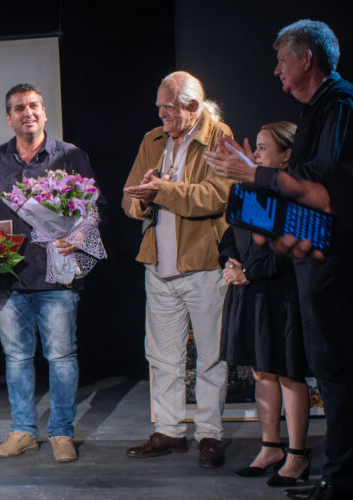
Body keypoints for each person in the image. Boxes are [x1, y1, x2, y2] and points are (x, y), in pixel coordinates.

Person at [209, 20, 353, 500]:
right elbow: (280, 207)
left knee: (337, 373)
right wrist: (247, 185)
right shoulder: (316, 109)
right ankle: (336, 476)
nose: (276, 70)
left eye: (282, 60)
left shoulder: (338, 102)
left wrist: (256, 173)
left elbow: (320, 181)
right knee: (329, 373)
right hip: (317, 263)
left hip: (332, 263)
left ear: (306, 58)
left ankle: (340, 479)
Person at [0, 83, 102, 463]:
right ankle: (23, 431)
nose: (28, 112)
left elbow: (93, 206)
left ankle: (61, 433)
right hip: (10, 276)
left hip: (57, 275)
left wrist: (78, 235)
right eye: (19, 108)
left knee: (60, 357)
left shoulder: (70, 155)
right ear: (9, 118)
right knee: (17, 359)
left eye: (34, 105)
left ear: (44, 111)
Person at [121, 71, 234, 468]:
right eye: (159, 107)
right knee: (163, 357)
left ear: (191, 106)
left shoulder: (219, 137)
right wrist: (140, 201)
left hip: (203, 265)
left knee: (210, 357)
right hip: (158, 265)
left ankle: (209, 435)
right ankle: (169, 431)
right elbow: (130, 197)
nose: (161, 114)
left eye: (167, 107)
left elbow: (216, 196)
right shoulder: (153, 140)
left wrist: (161, 191)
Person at [206, 122, 312, 486]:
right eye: (256, 149)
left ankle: (297, 455)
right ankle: (271, 447)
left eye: (263, 149)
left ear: (286, 156)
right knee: (261, 370)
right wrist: (232, 264)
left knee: (288, 372)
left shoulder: (295, 195)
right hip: (249, 293)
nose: (255, 156)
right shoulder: (247, 192)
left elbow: (289, 248)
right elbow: (228, 238)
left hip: (281, 295)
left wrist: (249, 271)